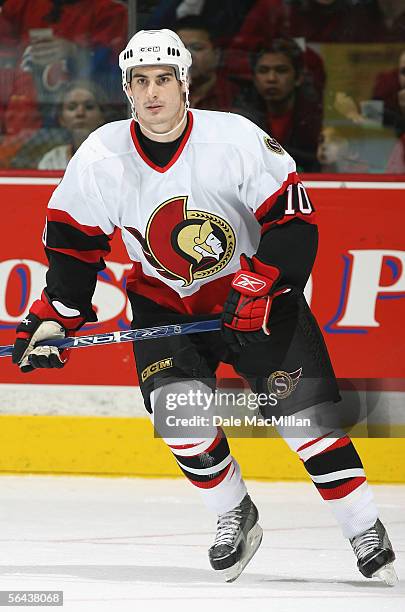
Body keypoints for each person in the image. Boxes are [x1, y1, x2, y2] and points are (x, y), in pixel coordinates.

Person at [11, 28, 397, 585]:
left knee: (305, 420)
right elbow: (74, 247)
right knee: (180, 418)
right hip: (166, 307)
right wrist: (53, 319)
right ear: (126, 88)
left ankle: (362, 525)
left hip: (257, 298)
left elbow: (292, 221)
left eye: (163, 79)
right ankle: (232, 512)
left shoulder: (234, 138)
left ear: (184, 83)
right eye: (139, 81)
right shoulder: (101, 155)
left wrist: (260, 285)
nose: (152, 93)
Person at [233, 39, 322, 172]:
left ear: (298, 77)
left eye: (281, 70)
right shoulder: (242, 120)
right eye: (263, 71)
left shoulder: (316, 121)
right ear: (254, 78)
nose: (271, 78)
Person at [37, 80, 107, 170]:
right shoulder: (51, 160)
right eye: (71, 107)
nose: (80, 113)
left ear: (102, 116)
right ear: (61, 119)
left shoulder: (112, 157)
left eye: (89, 107)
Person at [175, 16, 239, 111]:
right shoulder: (163, 93)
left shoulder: (233, 96)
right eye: (180, 49)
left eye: (197, 48)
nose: (187, 55)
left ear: (216, 55)